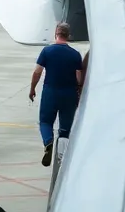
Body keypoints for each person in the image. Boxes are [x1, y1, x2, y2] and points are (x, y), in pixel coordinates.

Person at [29, 23, 84, 167]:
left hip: (50, 91)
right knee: (65, 128)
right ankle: (61, 158)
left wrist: (32, 88)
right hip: (69, 93)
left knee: (46, 122)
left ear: (56, 33)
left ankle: (48, 141)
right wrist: (79, 91)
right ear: (68, 35)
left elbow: (37, 72)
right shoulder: (75, 54)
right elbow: (79, 78)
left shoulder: (47, 51)